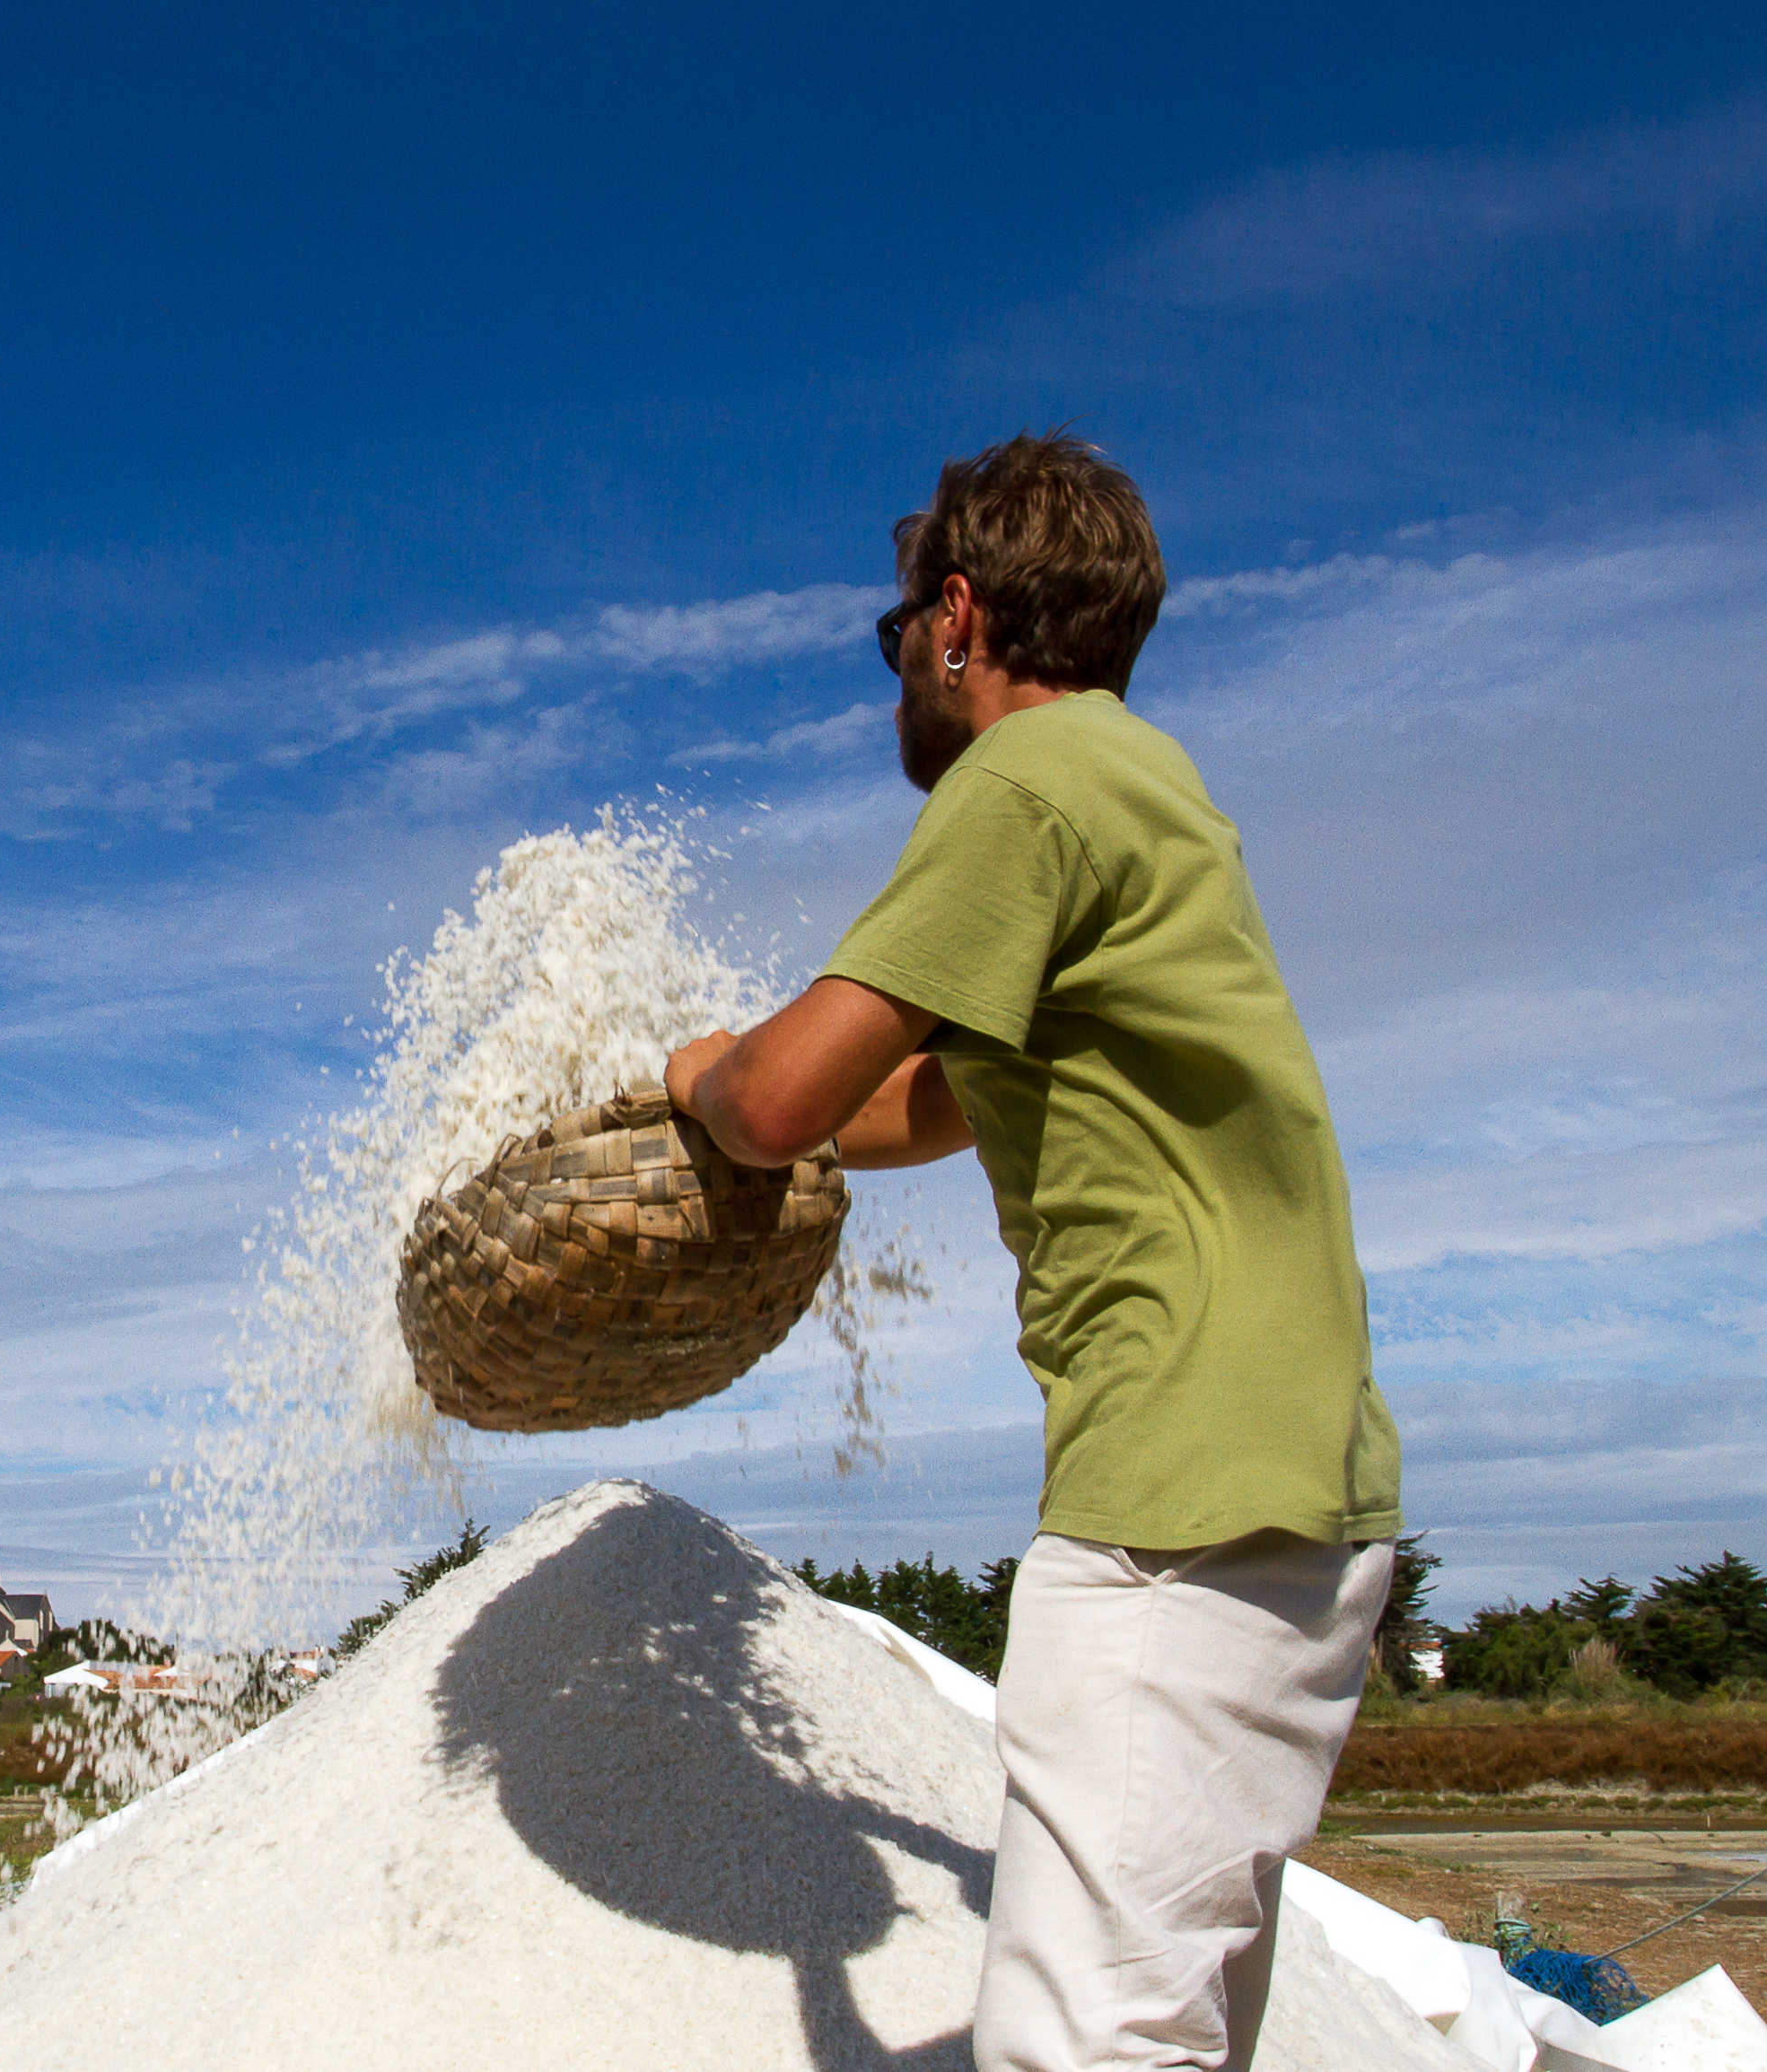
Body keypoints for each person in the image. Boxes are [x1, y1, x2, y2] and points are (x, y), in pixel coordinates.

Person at [663, 433, 1404, 2072]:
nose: (896, 684)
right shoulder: (1150, 782)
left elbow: (782, 1101)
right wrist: (774, 1102)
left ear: (957, 616)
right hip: (1305, 1494)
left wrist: (688, 1078)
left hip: (1173, 1509)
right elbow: (932, 1096)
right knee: (1176, 2029)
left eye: (894, 641)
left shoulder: (1017, 784)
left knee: (1079, 2050)